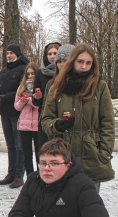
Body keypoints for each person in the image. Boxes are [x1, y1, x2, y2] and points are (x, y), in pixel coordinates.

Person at [42, 44, 115, 192]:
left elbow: (107, 123)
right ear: (73, 61)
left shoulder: (100, 87)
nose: (84, 67)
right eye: (80, 62)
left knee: (89, 205)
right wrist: (57, 125)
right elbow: (45, 120)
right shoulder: (56, 86)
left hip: (91, 155)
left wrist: (104, 152)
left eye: (88, 63)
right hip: (63, 155)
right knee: (63, 206)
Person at [0, 44, 29, 188]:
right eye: (7, 53)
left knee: (19, 145)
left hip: (17, 111)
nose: (9, 55)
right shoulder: (3, 71)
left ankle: (19, 176)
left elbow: (23, 90)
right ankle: (11, 173)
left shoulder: (23, 69)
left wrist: (5, 97)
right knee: (10, 145)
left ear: (18, 54)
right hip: (4, 111)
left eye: (11, 53)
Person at [32, 42, 61, 148]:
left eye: (55, 53)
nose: (52, 56)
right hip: (45, 114)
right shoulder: (40, 73)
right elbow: (36, 99)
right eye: (49, 54)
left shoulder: (65, 72)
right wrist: (37, 98)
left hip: (61, 113)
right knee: (44, 147)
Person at [13, 62, 39, 177]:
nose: (30, 76)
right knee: (27, 155)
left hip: (38, 125)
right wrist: (22, 101)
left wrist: (28, 100)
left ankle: (41, 177)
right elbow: (16, 107)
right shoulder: (21, 87)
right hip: (24, 125)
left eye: (32, 73)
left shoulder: (40, 87)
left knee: (39, 154)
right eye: (28, 74)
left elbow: (39, 105)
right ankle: (30, 178)